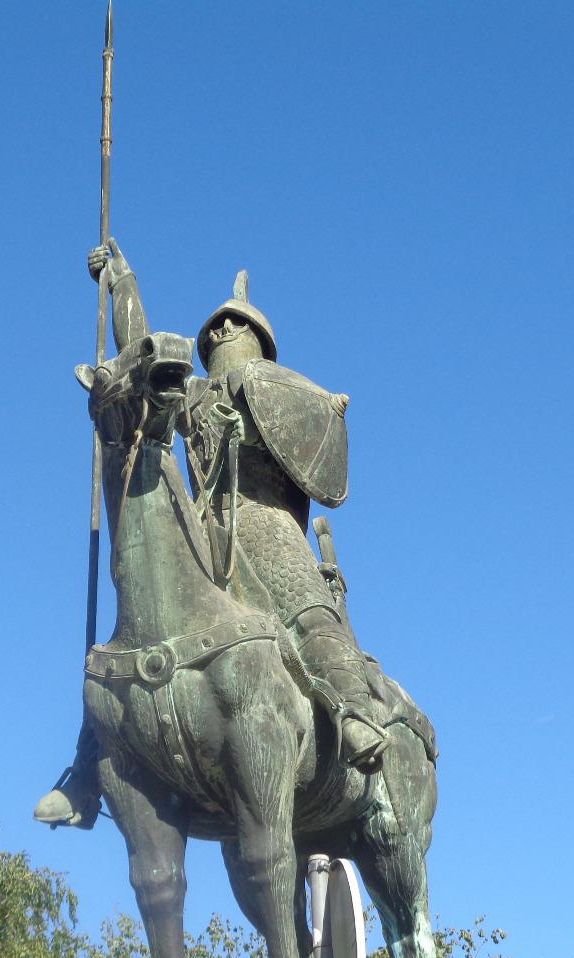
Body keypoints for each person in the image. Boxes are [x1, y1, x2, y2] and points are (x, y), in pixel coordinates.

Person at [35, 240, 388, 828]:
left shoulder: (281, 389)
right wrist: (123, 282)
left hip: (266, 525)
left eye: (234, 322)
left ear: (255, 337)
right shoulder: (194, 391)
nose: (224, 327)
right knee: (135, 630)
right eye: (218, 325)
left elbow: (306, 457)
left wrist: (253, 428)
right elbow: (141, 353)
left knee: (312, 619)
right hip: (200, 525)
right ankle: (88, 766)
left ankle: (354, 714)